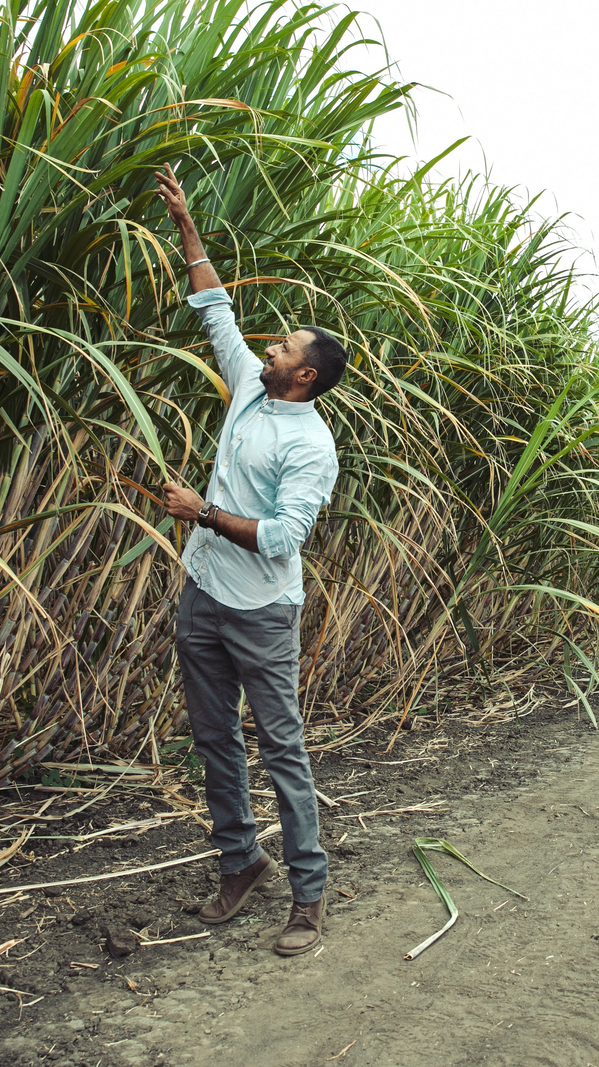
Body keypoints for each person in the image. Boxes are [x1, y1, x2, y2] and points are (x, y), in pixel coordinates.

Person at [153, 163, 347, 956]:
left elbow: (279, 537)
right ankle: (241, 862)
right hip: (202, 595)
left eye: (285, 347)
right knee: (213, 740)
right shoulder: (246, 386)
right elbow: (216, 311)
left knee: (283, 748)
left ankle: (309, 896)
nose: (269, 345)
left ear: (304, 376)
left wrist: (201, 511)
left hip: (263, 612)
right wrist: (186, 225)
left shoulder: (310, 444)